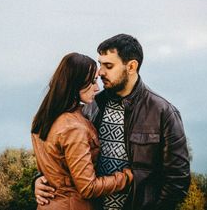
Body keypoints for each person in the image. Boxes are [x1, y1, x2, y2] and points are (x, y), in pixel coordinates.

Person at [35, 34, 191, 210]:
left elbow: (178, 180)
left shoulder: (163, 112)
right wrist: (40, 179)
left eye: (108, 66)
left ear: (131, 66)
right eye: (100, 64)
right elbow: (67, 157)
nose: (100, 72)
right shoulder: (91, 106)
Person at [31, 52, 134, 210]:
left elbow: (54, 166)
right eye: (92, 82)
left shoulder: (43, 118)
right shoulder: (73, 127)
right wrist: (127, 177)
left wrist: (38, 180)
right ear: (76, 84)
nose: (97, 87)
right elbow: (88, 188)